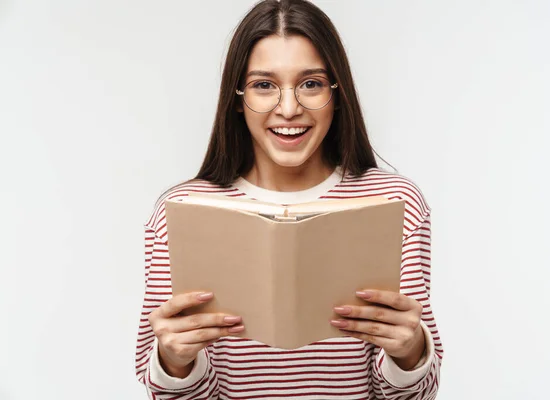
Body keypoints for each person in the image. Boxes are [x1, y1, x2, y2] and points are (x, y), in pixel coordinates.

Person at [135, 0, 443, 398]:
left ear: (337, 92)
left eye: (311, 83)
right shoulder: (182, 211)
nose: (289, 108)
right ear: (238, 95)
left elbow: (413, 396)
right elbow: (170, 390)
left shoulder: (393, 202)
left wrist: (409, 353)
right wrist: (175, 361)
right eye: (264, 85)